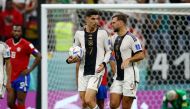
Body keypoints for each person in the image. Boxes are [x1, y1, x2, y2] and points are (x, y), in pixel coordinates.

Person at [66, 9, 111, 109]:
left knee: (89, 100)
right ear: (86, 19)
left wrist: (103, 63)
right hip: (83, 71)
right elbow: (74, 51)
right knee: (84, 103)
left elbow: (109, 51)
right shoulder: (78, 34)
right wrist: (70, 60)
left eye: (97, 19)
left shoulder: (103, 33)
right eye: (93, 19)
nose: (96, 21)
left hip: (97, 71)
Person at [109, 13, 145, 109]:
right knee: (113, 104)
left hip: (130, 76)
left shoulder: (132, 38)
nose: (111, 24)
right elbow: (106, 52)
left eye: (113, 22)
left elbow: (141, 55)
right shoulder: (113, 38)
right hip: (118, 76)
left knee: (126, 106)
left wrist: (129, 59)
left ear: (121, 23)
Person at [6, 24, 41, 109]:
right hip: (10, 77)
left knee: (21, 101)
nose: (16, 33)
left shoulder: (26, 44)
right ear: (12, 32)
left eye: (18, 31)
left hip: (22, 77)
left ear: (21, 32)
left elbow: (39, 56)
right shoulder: (7, 43)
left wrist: (29, 69)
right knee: (10, 103)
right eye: (15, 31)